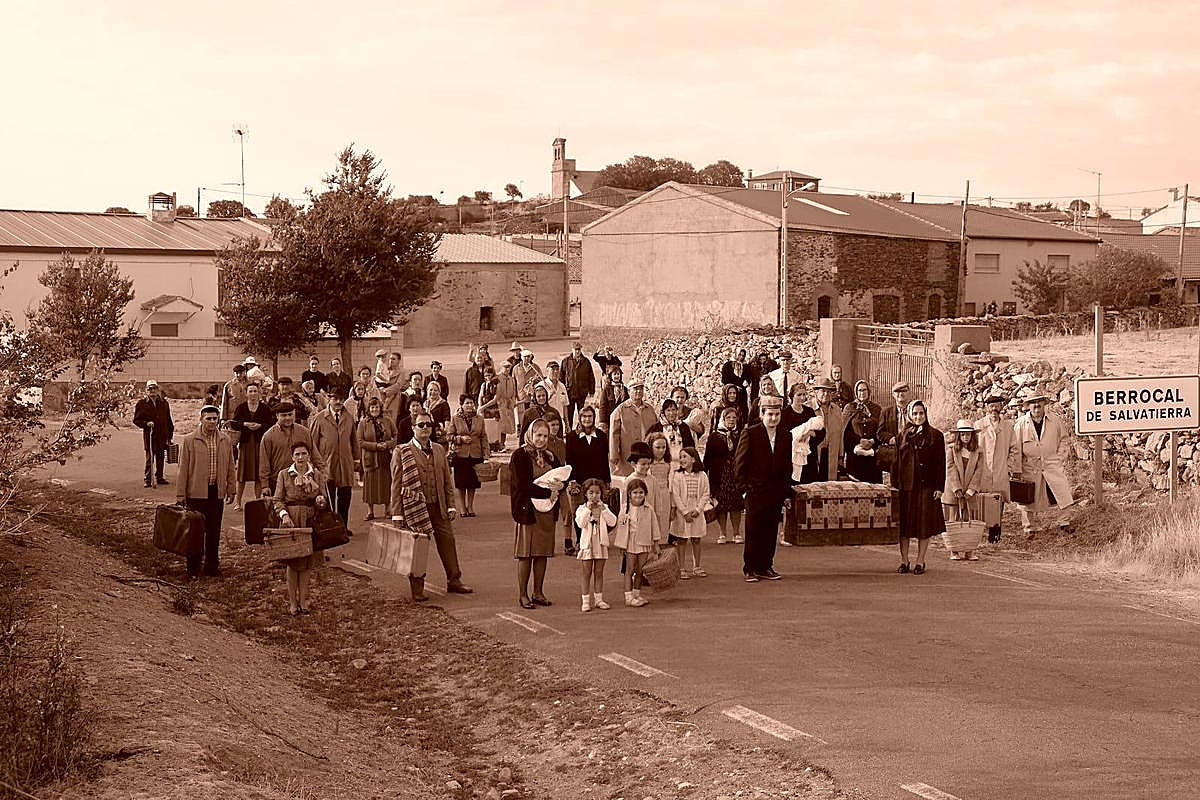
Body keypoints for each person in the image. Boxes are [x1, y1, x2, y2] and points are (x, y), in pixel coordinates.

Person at [390, 410, 473, 601]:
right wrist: (397, 514)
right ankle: (417, 588)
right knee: (418, 547)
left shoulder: (438, 449)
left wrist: (452, 505)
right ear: (413, 428)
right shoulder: (402, 451)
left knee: (448, 541)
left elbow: (446, 480)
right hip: (415, 508)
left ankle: (454, 580)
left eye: (428, 424)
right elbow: (396, 484)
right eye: (421, 425)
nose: (426, 428)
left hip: (438, 505)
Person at [734, 395, 793, 582]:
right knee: (753, 530)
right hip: (754, 491)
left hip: (774, 492)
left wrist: (785, 493)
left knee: (770, 530)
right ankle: (750, 568)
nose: (774, 418)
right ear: (762, 414)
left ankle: (766, 566)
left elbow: (786, 466)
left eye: (777, 414)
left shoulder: (786, 435)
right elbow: (739, 463)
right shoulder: (750, 433)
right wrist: (744, 490)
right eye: (770, 414)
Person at [509, 418, 564, 609]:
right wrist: (549, 492)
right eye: (538, 435)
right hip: (528, 511)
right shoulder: (519, 455)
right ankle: (523, 595)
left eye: (545, 436)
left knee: (542, 553)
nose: (541, 439)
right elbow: (522, 485)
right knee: (526, 554)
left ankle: (538, 592)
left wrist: (560, 486)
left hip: (547, 512)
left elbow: (560, 478)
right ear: (530, 435)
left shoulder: (550, 456)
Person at [176, 404, 236, 578]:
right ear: (201, 419)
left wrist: (231, 489)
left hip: (215, 492)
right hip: (195, 493)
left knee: (214, 531)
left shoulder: (225, 440)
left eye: (214, 419)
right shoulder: (189, 440)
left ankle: (211, 567)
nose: (211, 422)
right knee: (195, 532)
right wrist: (181, 495)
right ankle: (193, 569)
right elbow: (183, 469)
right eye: (208, 418)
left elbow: (231, 466)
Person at [270, 441, 326, 615]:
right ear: (292, 457)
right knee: (293, 562)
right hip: (292, 520)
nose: (300, 458)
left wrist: (320, 501)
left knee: (307, 563)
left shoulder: (316, 474)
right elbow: (278, 499)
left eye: (304, 454)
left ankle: (304, 601)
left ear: (309, 455)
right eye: (297, 454)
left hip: (310, 520)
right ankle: (293, 603)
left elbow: (324, 499)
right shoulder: (284, 475)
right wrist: (284, 515)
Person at [894, 400, 946, 575]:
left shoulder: (936, 436)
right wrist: (895, 487)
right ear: (910, 414)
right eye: (915, 413)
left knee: (924, 525)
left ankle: (920, 561)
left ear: (926, 414)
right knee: (905, 526)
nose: (918, 417)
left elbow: (941, 463)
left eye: (921, 413)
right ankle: (904, 560)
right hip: (906, 487)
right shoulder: (902, 436)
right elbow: (897, 463)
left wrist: (939, 487)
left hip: (927, 486)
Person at [1012, 394, 1074, 534]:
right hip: (1030, 466)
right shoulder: (1021, 423)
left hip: (1052, 463)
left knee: (1062, 492)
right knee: (1026, 498)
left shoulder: (1055, 421)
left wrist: (1059, 457)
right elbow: (1016, 448)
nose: (1036, 406)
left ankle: (1064, 522)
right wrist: (1017, 468)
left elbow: (1064, 439)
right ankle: (1029, 528)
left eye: (1039, 402)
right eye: (1033, 403)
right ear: (1028, 405)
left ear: (1043, 403)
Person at [564, 405, 611, 554]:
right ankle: (580, 540)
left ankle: (597, 540)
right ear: (580, 418)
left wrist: (607, 480)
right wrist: (572, 481)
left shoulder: (602, 437)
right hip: (579, 480)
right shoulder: (572, 437)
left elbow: (605, 460)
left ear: (594, 418)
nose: (587, 419)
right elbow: (569, 460)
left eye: (590, 416)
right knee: (580, 511)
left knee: (597, 510)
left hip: (597, 480)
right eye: (584, 417)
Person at [975, 393, 1018, 543]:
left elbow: (1014, 448)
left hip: (1000, 470)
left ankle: (995, 536)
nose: (994, 408)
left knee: (997, 501)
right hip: (983, 471)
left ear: (1001, 407)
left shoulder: (1007, 426)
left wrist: (1008, 467)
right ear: (986, 407)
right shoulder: (979, 425)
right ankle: (979, 534)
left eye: (996, 405)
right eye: (991, 405)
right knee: (981, 501)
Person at [310, 394, 359, 526]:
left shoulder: (348, 417)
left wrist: (356, 460)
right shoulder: (319, 418)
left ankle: (343, 526)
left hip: (345, 464)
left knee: (345, 497)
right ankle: (330, 527)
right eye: (335, 399)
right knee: (328, 498)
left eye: (341, 399)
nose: (338, 401)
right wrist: (314, 464)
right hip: (326, 465)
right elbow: (312, 443)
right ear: (329, 400)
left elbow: (354, 440)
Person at [612, 477, 660, 607]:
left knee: (640, 570)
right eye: (635, 493)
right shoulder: (625, 508)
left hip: (644, 542)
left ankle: (636, 594)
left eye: (641, 492)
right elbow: (621, 528)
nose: (638, 495)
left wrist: (656, 544)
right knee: (629, 569)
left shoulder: (649, 509)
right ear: (629, 494)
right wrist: (621, 545)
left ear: (645, 494)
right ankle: (628, 597)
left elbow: (654, 527)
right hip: (630, 542)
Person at [703, 405, 745, 545]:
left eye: (734, 417)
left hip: (735, 474)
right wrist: (704, 474)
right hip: (719, 474)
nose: (732, 420)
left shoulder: (741, 434)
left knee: (736, 504)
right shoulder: (714, 436)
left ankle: (737, 533)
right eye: (728, 417)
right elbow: (708, 458)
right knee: (721, 503)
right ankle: (722, 532)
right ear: (723, 419)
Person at [229, 382, 274, 510]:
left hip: (260, 443)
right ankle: (238, 502)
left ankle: (257, 501)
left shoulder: (264, 408)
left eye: (255, 391)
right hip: (245, 444)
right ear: (246, 393)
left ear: (259, 392)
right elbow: (234, 424)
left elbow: (270, 424)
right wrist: (245, 424)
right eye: (250, 391)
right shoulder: (241, 407)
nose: (253, 394)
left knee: (258, 474)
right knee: (242, 475)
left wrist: (260, 426)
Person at [944, 419, 985, 561]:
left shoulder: (978, 451)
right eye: (962, 435)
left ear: (972, 436)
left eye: (968, 435)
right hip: (954, 489)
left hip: (969, 490)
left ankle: (969, 550)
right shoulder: (952, 450)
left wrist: (971, 489)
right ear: (958, 436)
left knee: (969, 519)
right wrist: (956, 488)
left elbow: (979, 471)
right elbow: (950, 468)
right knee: (953, 519)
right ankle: (954, 550)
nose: (965, 438)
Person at [259, 402, 318, 497]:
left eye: (290, 415)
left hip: (304, 480)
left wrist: (322, 473)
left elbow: (314, 454)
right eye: (284, 415)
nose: (287, 418)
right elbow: (264, 462)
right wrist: (265, 485)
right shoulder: (268, 436)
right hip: (277, 481)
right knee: (280, 510)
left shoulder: (304, 432)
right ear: (277, 416)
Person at [575, 478, 616, 612]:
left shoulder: (604, 507)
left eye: (597, 492)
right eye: (591, 493)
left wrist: (604, 510)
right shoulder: (581, 509)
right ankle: (585, 601)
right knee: (586, 572)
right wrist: (588, 510)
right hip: (587, 545)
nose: (594, 496)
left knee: (599, 572)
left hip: (600, 543)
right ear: (585, 494)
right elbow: (581, 523)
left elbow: (612, 522)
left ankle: (599, 599)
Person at [670, 447, 711, 579]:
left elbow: (705, 493)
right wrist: (684, 512)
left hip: (696, 511)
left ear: (693, 459)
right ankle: (681, 568)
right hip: (683, 511)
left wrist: (698, 509)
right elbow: (675, 495)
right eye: (680, 457)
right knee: (682, 540)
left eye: (685, 456)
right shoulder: (677, 475)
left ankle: (697, 566)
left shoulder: (702, 475)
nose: (682, 459)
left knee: (696, 539)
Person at [357, 396, 396, 521]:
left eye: (377, 407)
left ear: (380, 408)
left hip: (385, 456)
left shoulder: (388, 420)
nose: (375, 409)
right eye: (372, 407)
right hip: (370, 458)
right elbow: (360, 441)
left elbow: (395, 435)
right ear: (369, 408)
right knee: (370, 485)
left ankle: (388, 509)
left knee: (386, 482)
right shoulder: (363, 423)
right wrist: (375, 446)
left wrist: (388, 444)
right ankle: (370, 511)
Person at [449, 395, 488, 517]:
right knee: (461, 483)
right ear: (462, 405)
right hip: (461, 454)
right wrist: (460, 439)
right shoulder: (455, 418)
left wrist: (486, 453)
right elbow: (449, 436)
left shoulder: (479, 419)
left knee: (473, 482)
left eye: (471, 403)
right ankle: (462, 507)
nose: (470, 405)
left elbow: (483, 437)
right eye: (467, 403)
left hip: (476, 454)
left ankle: (470, 506)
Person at [608, 378, 657, 476]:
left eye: (641, 389)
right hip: (628, 452)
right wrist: (614, 455)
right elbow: (614, 434)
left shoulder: (650, 409)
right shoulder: (620, 410)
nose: (638, 391)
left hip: (646, 451)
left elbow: (656, 431)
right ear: (629, 391)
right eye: (635, 389)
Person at [133, 379, 174, 488]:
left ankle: (159, 477)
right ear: (146, 390)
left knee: (160, 457)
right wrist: (146, 423)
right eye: (149, 388)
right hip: (150, 434)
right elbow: (136, 420)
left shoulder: (163, 403)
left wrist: (170, 435)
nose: (152, 390)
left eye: (154, 388)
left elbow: (168, 420)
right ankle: (148, 479)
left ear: (158, 389)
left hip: (162, 434)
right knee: (150, 457)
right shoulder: (142, 403)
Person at [842, 380, 883, 484]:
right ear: (856, 392)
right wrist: (860, 441)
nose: (862, 393)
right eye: (860, 390)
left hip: (872, 455)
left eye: (865, 390)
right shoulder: (849, 408)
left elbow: (881, 430)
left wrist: (872, 441)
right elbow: (845, 431)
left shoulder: (877, 409)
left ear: (869, 391)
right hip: (855, 455)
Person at [810, 377, 845, 480]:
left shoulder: (837, 410)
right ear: (816, 392)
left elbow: (841, 433)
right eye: (823, 391)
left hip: (832, 453)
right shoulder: (808, 408)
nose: (826, 394)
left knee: (829, 485)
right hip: (814, 453)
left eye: (829, 391)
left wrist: (841, 455)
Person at [644, 432, 674, 542]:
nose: (661, 450)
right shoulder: (646, 465)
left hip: (664, 496)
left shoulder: (668, 465)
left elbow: (671, 486)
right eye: (657, 447)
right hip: (650, 495)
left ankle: (662, 551)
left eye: (664, 447)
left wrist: (673, 505)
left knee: (663, 524)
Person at [877, 381, 911, 474]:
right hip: (893, 452)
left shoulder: (915, 411)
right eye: (897, 391)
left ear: (909, 392)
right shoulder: (886, 412)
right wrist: (892, 439)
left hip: (911, 453)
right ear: (893, 394)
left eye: (904, 390)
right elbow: (880, 433)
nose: (901, 394)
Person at [561, 341, 596, 428]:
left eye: (579, 349)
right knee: (569, 414)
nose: (577, 351)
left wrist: (592, 391)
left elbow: (591, 376)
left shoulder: (586, 361)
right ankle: (569, 430)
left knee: (582, 413)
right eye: (575, 349)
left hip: (582, 393)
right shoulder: (566, 361)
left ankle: (581, 429)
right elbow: (561, 376)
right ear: (572, 349)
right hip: (569, 392)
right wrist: (561, 390)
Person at [476, 364, 503, 453]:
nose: (488, 377)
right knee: (485, 429)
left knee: (494, 430)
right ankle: (486, 449)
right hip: (485, 410)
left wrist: (484, 406)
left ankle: (495, 447)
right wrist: (480, 407)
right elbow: (480, 396)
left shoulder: (497, 384)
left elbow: (495, 399)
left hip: (493, 409)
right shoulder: (483, 385)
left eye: (489, 375)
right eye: (486, 375)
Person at [719, 348, 752, 416]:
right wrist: (734, 386)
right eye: (739, 355)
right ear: (736, 354)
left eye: (743, 356)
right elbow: (724, 379)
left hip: (742, 392)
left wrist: (745, 382)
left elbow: (748, 378)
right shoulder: (727, 365)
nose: (741, 357)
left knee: (742, 409)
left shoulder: (745, 367)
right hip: (730, 391)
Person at [495, 361, 519, 451]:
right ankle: (498, 443)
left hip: (508, 404)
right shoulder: (497, 378)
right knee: (499, 425)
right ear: (501, 367)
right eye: (505, 367)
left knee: (506, 425)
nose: (507, 369)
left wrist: (512, 401)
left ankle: (503, 443)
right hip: (499, 404)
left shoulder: (511, 379)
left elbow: (514, 392)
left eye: (509, 367)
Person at [597, 368, 629, 434]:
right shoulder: (606, 390)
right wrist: (602, 421)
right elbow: (602, 406)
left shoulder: (625, 389)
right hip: (609, 419)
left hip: (622, 419)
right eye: (614, 374)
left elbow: (628, 404)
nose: (616, 376)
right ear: (611, 376)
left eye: (618, 374)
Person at [513, 349, 544, 417]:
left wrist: (534, 381)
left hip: (533, 398)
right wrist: (514, 397)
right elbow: (513, 383)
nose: (526, 358)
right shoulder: (516, 368)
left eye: (528, 356)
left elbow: (541, 381)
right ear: (521, 357)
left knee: (533, 415)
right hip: (521, 397)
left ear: (531, 357)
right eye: (525, 357)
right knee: (522, 417)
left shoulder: (536, 367)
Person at [423, 380, 452, 446]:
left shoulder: (443, 403)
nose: (433, 392)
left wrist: (445, 430)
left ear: (439, 392)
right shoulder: (424, 404)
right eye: (431, 390)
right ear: (427, 391)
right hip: (426, 434)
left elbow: (447, 419)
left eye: (435, 390)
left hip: (439, 435)